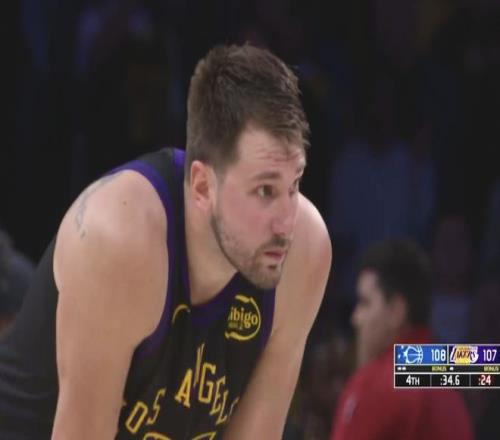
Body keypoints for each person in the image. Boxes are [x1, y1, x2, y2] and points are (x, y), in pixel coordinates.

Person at [0, 44, 332, 439]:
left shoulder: (305, 251)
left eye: (294, 184)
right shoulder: (120, 239)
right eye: (264, 190)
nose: (286, 223)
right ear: (203, 186)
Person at [330, 240, 473, 440]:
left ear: (396, 311)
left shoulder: (374, 384)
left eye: (365, 302)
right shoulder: (453, 382)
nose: (356, 318)